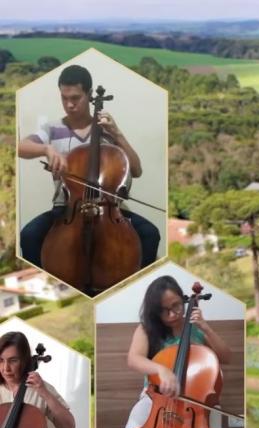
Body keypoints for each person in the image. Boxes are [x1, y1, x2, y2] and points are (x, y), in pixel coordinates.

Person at [17, 64, 160, 273]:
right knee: (29, 235)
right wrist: (46, 149)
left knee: (150, 234)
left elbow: (136, 171)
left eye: (75, 98)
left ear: (89, 94)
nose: (69, 104)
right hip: (66, 209)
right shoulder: (53, 129)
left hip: (108, 209)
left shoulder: (106, 131)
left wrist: (118, 135)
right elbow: (20, 147)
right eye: (64, 98)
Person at [114, 275, 232, 428]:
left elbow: (226, 357)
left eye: (176, 306)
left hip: (196, 404)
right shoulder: (147, 329)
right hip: (155, 400)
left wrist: (206, 328)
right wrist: (161, 369)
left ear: (182, 298)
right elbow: (133, 359)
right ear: (155, 311)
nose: (172, 314)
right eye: (164, 310)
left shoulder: (197, 328)